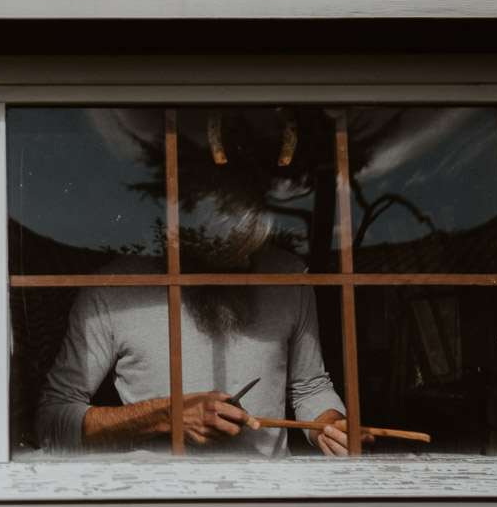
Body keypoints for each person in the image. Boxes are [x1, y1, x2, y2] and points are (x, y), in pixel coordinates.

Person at [35, 192, 364, 457]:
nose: (246, 263)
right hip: (163, 501)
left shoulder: (288, 275)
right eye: (230, 250)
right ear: (183, 239)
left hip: (268, 491)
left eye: (251, 248)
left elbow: (311, 388)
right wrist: (166, 415)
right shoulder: (113, 288)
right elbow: (51, 421)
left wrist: (332, 424)